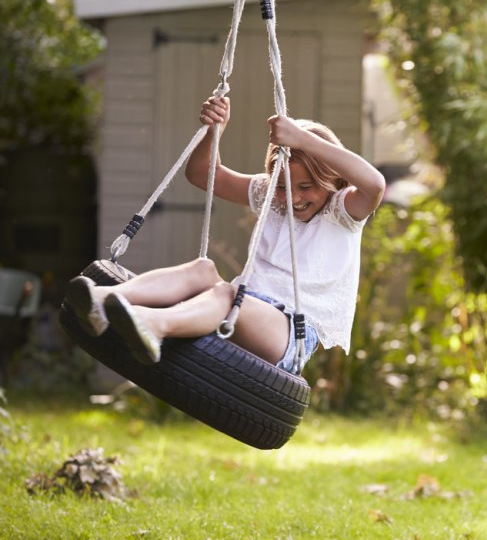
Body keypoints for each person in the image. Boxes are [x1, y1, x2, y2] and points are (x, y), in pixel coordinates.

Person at [66, 96, 386, 373]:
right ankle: (100, 301)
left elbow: (375, 185)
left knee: (227, 294)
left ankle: (152, 325)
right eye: (283, 187)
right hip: (243, 310)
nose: (293, 198)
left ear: (332, 181)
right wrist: (214, 131)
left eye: (306, 188)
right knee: (202, 270)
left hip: (290, 335)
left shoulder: (342, 212)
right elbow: (204, 175)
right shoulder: (269, 194)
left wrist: (303, 140)